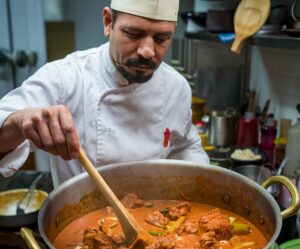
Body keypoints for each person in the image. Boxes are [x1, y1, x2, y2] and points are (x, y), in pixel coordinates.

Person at [0, 0, 209, 188]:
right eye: (133, 34)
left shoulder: (176, 86)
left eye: (161, 38)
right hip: (79, 216)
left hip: (154, 209)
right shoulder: (65, 77)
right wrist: (19, 121)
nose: (147, 51)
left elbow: (186, 146)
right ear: (108, 22)